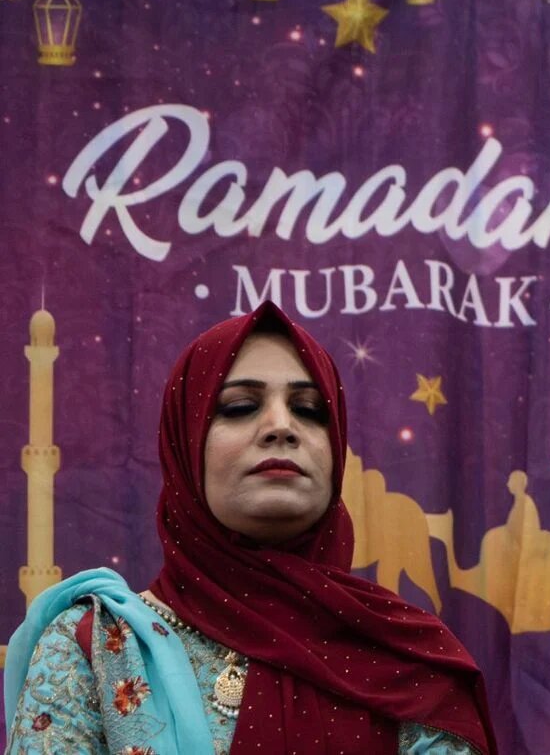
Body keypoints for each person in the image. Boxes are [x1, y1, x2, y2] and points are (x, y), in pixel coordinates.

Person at [4, 302, 496, 754]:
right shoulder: (97, 647)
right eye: (240, 406)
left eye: (309, 410)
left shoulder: (410, 662)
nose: (281, 425)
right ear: (186, 443)